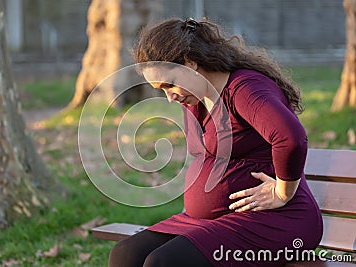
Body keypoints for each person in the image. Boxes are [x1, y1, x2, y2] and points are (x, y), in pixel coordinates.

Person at [108, 18, 323, 267]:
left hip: (273, 219)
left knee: (164, 262)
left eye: (170, 84)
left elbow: (291, 138)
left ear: (190, 62)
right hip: (215, 220)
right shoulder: (196, 98)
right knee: (125, 254)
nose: (169, 97)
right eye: (160, 90)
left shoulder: (245, 89)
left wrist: (283, 191)